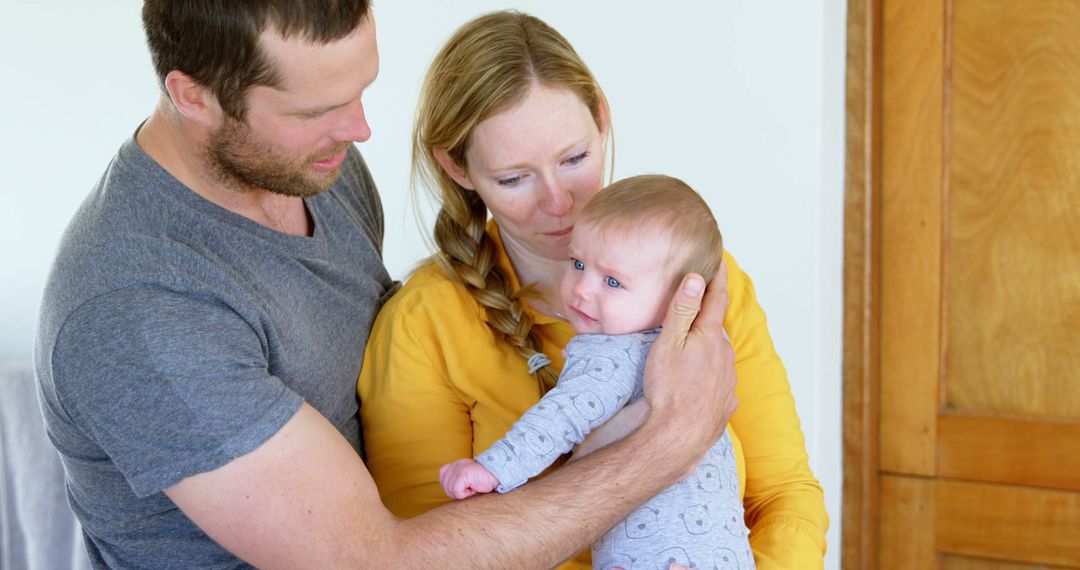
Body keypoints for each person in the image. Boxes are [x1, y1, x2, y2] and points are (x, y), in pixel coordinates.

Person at [33, 2, 737, 568]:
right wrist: (667, 442)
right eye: (315, 111)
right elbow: (372, 561)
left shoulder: (318, 173)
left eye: (360, 91)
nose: (361, 129)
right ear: (193, 97)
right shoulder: (138, 308)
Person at [357, 9, 829, 570]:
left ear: (601, 117)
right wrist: (652, 444)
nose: (560, 202)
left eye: (574, 158)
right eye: (514, 178)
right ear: (458, 169)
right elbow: (431, 556)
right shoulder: (423, 325)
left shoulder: (701, 282)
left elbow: (785, 497)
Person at [438, 175, 757, 570]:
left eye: (611, 281)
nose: (581, 290)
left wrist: (492, 469)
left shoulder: (611, 354)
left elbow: (560, 419)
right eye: (577, 263)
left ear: (681, 296)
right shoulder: (705, 349)